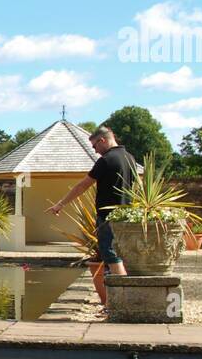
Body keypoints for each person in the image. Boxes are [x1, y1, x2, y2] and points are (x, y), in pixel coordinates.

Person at [48, 125, 137, 307]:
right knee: (119, 255)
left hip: (108, 216)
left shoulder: (106, 160)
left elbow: (82, 186)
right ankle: (116, 302)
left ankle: (120, 303)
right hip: (126, 216)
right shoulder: (130, 159)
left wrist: (60, 204)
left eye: (95, 146)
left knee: (111, 255)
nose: (95, 151)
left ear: (103, 140)